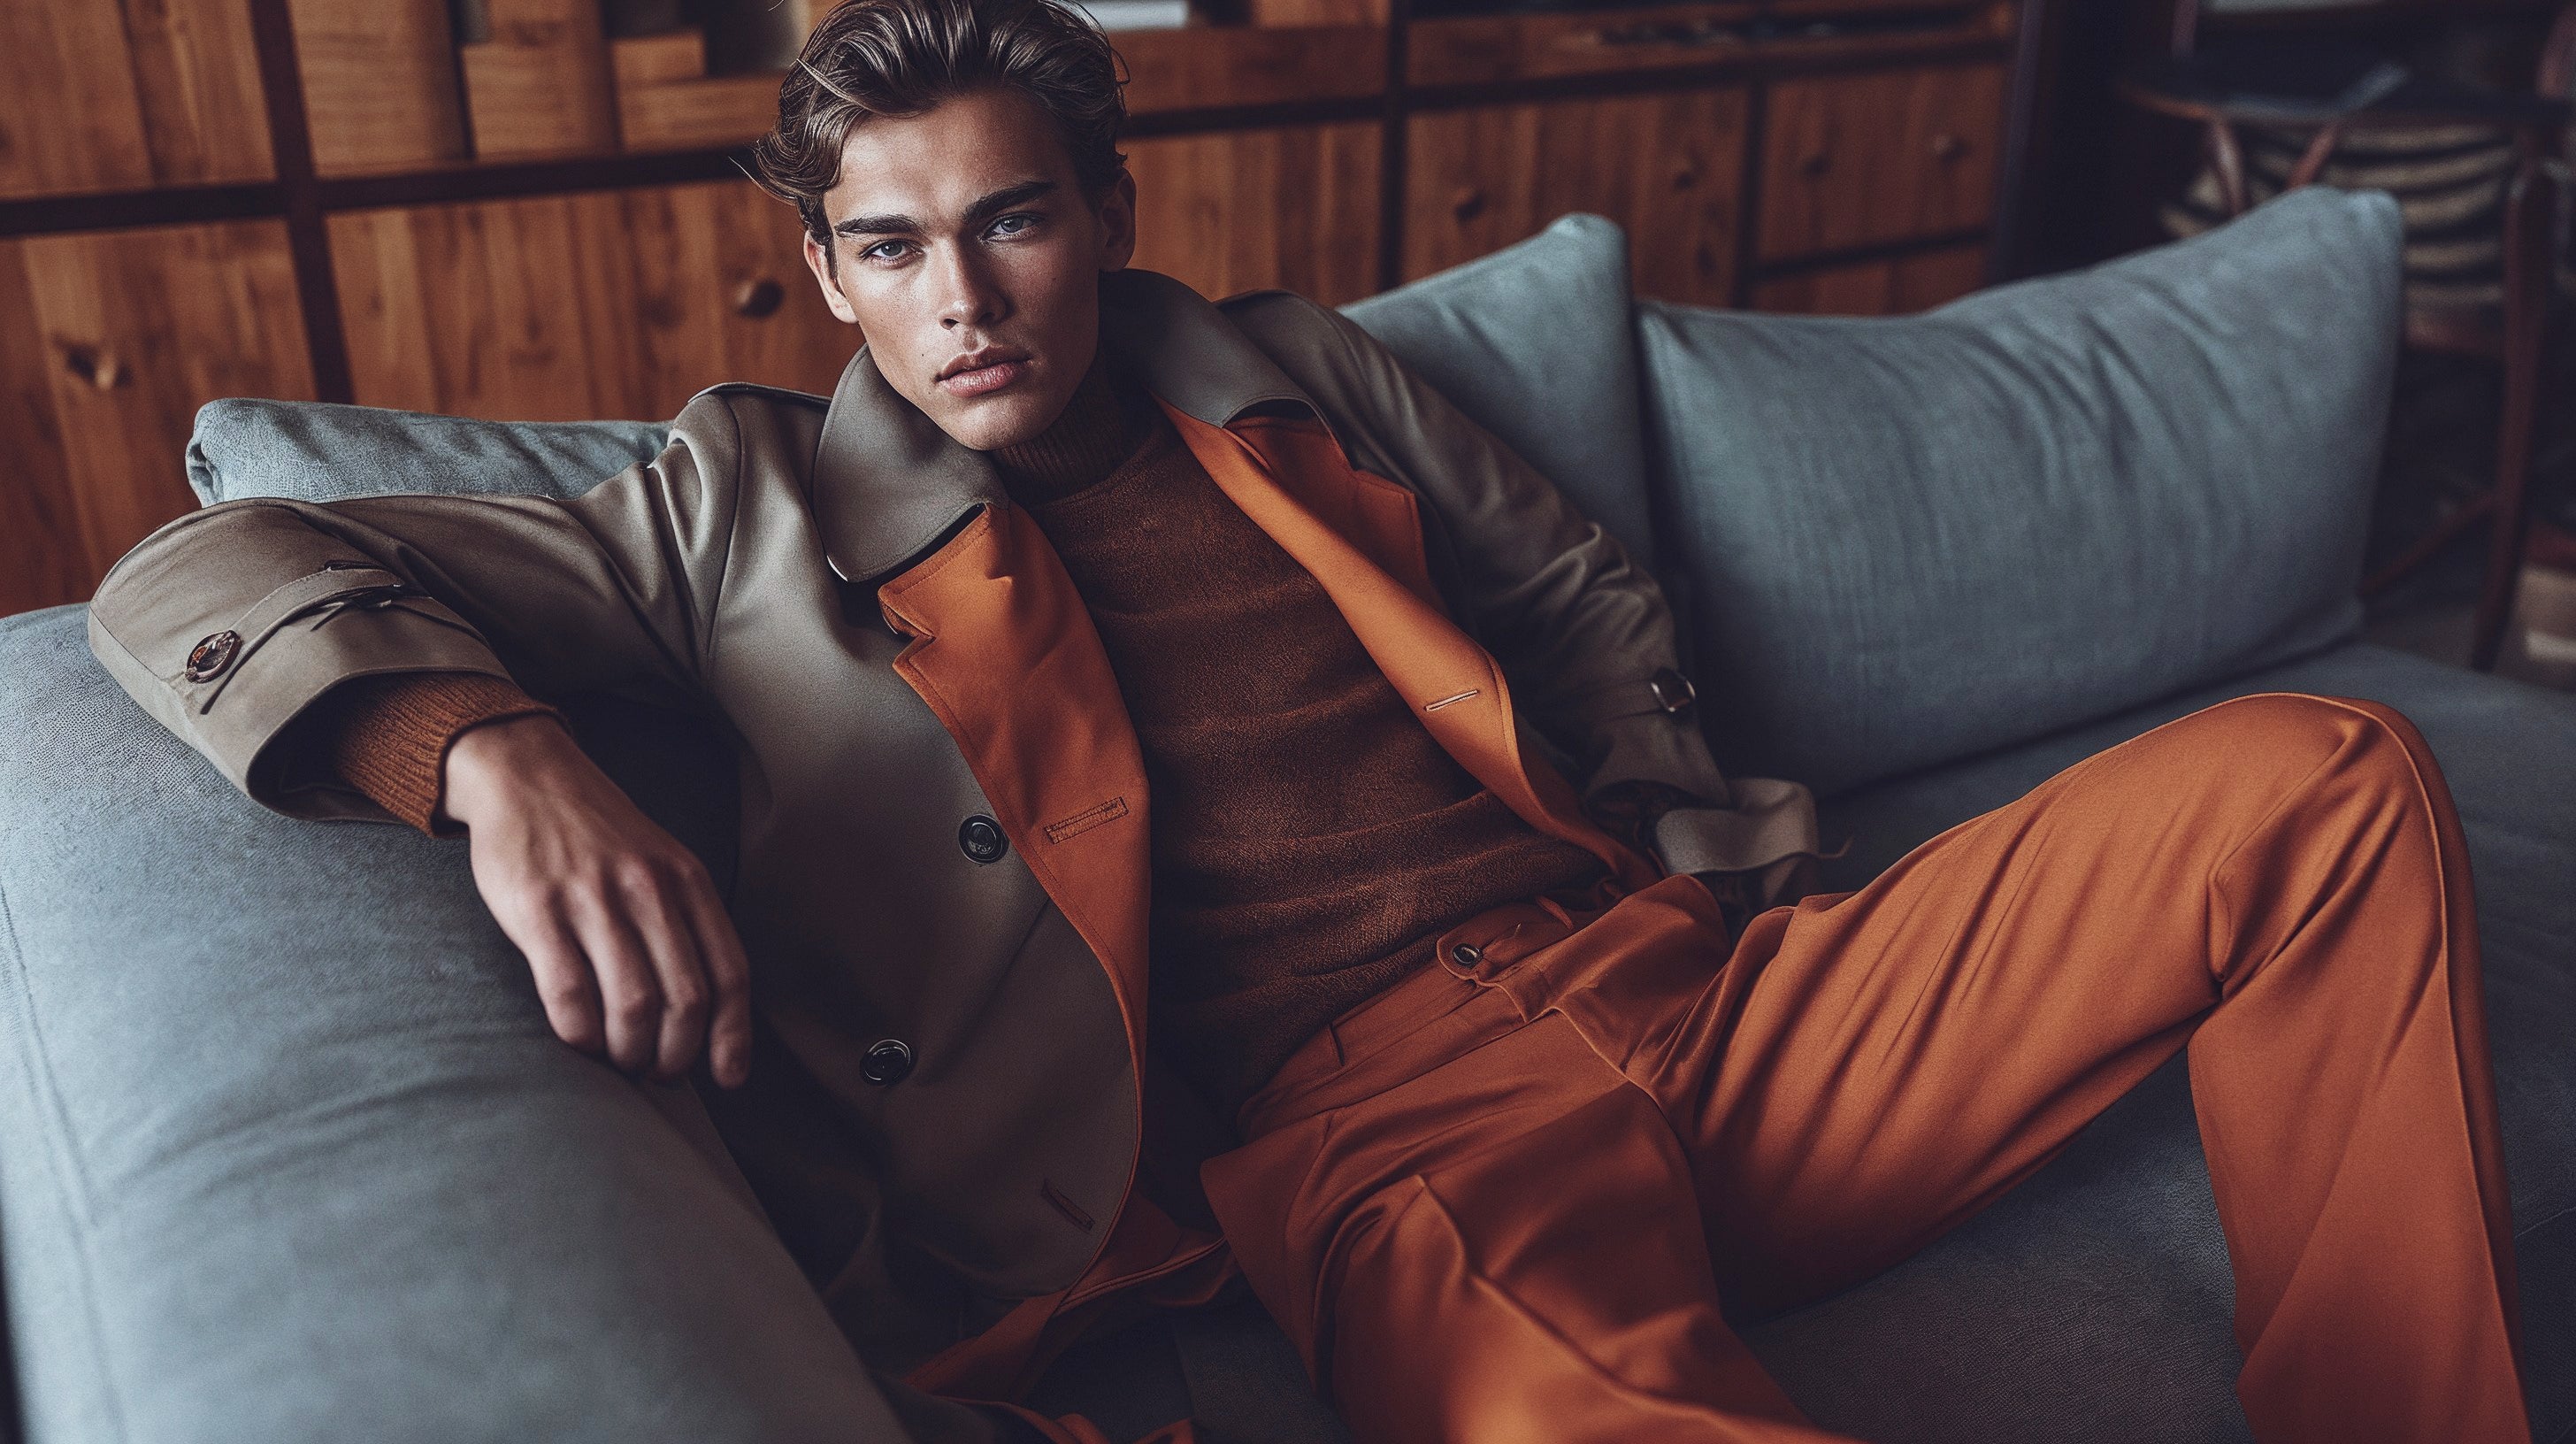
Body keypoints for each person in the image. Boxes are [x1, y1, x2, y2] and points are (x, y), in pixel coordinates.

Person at [86, 0, 2531, 1440]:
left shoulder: (1295, 376)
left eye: (1014, 221)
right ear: (825, 274)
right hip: (1395, 1143)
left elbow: (1574, 587)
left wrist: (1699, 839)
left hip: (1717, 994)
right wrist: (499, 758)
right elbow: (197, 568)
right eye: (892, 247)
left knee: (2316, 780)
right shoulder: (725, 504)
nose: (965, 299)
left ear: (1109, 215)